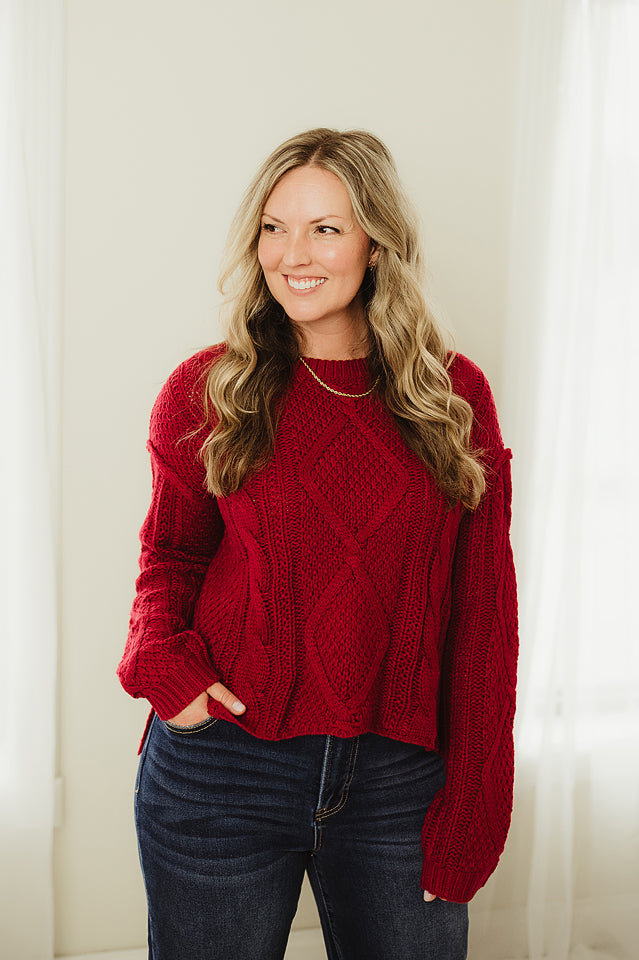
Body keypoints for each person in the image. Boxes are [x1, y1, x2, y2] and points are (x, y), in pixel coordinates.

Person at [117, 127, 519, 960]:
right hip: (223, 766)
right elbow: (171, 558)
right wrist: (159, 659)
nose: (291, 255)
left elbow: (484, 617)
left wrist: (476, 802)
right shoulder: (207, 389)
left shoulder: (453, 397)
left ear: (377, 244)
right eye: (273, 227)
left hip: (397, 782)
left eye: (325, 229)